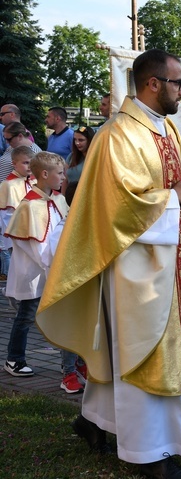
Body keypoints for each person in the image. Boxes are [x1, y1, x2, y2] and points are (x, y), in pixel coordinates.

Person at [36, 48, 181, 479]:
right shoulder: (118, 134)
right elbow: (115, 206)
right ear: (153, 84)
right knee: (141, 350)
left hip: (168, 258)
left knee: (125, 350)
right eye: (177, 82)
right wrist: (176, 198)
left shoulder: (166, 129)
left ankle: (93, 422)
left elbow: (180, 181)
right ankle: (147, 452)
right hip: (133, 262)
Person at [4, 152, 68, 379]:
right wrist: (53, 267)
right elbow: (34, 247)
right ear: (44, 174)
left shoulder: (58, 200)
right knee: (26, 316)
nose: (63, 177)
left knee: (62, 317)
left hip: (54, 269)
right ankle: (14, 359)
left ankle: (68, 366)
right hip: (34, 273)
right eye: (59, 173)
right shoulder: (29, 206)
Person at [0, 145, 35, 281]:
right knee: (20, 270)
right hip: (17, 235)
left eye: (31, 162)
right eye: (25, 163)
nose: (29, 166)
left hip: (31, 231)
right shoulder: (7, 185)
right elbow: (5, 215)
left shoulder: (34, 181)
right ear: (14, 164)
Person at [63, 126, 94, 201]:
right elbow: (65, 180)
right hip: (70, 199)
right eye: (75, 140)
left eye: (81, 140)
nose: (77, 143)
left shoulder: (96, 158)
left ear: (90, 140)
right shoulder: (71, 156)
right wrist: (63, 199)